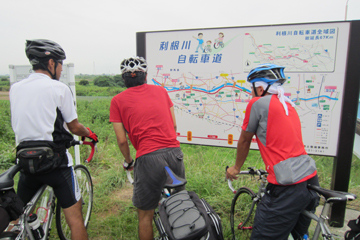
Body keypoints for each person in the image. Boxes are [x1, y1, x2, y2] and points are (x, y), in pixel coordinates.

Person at [9, 39, 98, 240]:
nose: (60, 70)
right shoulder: (59, 88)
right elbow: (74, 126)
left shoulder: (15, 88)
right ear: (51, 63)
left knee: (16, 216)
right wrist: (89, 134)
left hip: (26, 164)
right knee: (75, 219)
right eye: (60, 64)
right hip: (55, 165)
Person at [226, 64, 319, 240]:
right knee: (298, 234)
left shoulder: (257, 102)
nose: (250, 93)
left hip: (287, 184)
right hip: (309, 177)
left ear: (260, 88)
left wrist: (236, 167)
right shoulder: (287, 104)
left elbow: (245, 140)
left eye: (251, 89)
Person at [109, 56, 185, 240]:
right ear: (145, 76)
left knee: (145, 215)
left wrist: (129, 162)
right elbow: (174, 126)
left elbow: (121, 140)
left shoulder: (117, 101)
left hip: (148, 158)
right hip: (174, 154)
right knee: (179, 206)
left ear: (124, 79)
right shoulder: (161, 91)